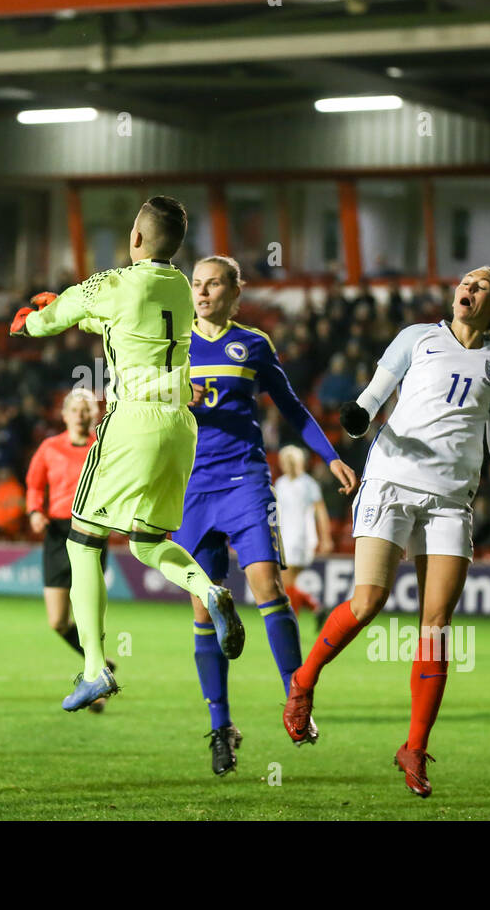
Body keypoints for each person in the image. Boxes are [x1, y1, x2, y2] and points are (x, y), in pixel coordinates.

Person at [282, 266, 490, 798]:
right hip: (391, 483)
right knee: (367, 602)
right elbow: (375, 394)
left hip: (451, 499)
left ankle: (415, 749)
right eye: (464, 283)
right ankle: (303, 681)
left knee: (435, 625)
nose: (466, 290)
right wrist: (358, 416)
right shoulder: (417, 339)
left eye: (480, 288)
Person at [9, 195, 245, 711]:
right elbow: (118, 323)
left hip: (132, 420)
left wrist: (31, 318)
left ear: (135, 238)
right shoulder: (180, 287)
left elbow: (57, 319)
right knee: (144, 542)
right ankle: (208, 591)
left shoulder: (113, 283)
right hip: (180, 425)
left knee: (83, 540)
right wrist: (73, 310)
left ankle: (94, 669)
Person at [178, 256, 357, 775]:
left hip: (244, 481)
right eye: (197, 285)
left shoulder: (253, 344)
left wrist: (332, 456)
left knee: (266, 586)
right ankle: (220, 727)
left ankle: (294, 696)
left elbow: (293, 408)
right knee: (203, 608)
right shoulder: (171, 345)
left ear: (236, 292)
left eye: (214, 284)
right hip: (190, 488)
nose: (203, 292)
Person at [26, 388, 115, 711]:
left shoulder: (103, 448)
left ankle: (97, 681)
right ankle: (101, 663)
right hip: (57, 531)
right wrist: (35, 511)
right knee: (58, 621)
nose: (80, 414)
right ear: (64, 415)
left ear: (95, 415)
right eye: (75, 409)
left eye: (86, 409)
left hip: (90, 530)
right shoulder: (49, 448)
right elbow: (35, 484)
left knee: (87, 612)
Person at [275, 444, 333, 627]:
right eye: (286, 462)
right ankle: (316, 607)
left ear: (300, 463)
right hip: (285, 536)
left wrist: (326, 538)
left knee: (285, 582)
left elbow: (320, 511)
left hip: (302, 537)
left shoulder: (308, 484)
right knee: (288, 583)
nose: (289, 465)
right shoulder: (280, 483)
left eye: (292, 461)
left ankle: (292, 623)